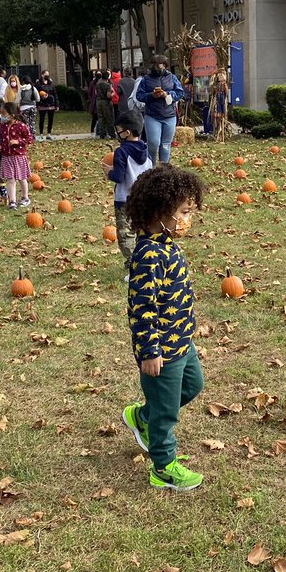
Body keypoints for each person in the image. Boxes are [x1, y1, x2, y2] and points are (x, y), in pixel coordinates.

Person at [121, 165, 206, 490]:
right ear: (160, 211)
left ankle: (143, 416)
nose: (187, 219)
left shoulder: (167, 244)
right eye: (183, 212)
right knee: (166, 413)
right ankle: (163, 466)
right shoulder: (148, 256)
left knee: (193, 387)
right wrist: (149, 352)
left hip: (181, 342)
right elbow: (142, 309)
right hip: (161, 353)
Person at [105, 111, 151, 281]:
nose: (117, 134)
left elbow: (119, 176)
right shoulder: (147, 151)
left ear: (127, 132)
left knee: (125, 234)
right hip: (142, 199)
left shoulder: (121, 152)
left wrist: (108, 173)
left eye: (119, 130)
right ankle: (144, 261)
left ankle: (135, 267)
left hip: (124, 199)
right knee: (141, 232)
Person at [134, 54, 184, 165]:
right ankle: (151, 165)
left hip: (169, 115)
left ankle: (163, 167)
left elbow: (180, 92)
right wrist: (152, 95)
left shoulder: (172, 77)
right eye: (154, 65)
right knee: (153, 142)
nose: (156, 67)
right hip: (152, 115)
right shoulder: (146, 79)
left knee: (166, 144)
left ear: (165, 66)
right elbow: (139, 95)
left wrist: (167, 94)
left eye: (159, 65)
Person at [0, 101, 33, 209]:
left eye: (4, 114)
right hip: (6, 157)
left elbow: (29, 139)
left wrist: (17, 142)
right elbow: (2, 140)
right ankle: (12, 201)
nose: (3, 117)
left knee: (22, 178)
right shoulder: (3, 126)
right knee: (10, 179)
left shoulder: (21, 126)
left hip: (19, 156)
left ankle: (25, 197)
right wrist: (0, 147)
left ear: (12, 114)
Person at [36, 72, 59, 140]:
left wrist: (57, 104)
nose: (47, 76)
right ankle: (41, 134)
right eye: (46, 75)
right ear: (42, 75)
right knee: (42, 120)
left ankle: (49, 134)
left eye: (48, 75)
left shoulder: (50, 84)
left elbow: (55, 94)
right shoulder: (38, 84)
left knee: (50, 120)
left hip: (51, 104)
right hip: (42, 105)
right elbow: (36, 94)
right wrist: (39, 101)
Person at [94, 70, 116, 139]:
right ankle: (112, 134)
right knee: (109, 118)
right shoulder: (107, 85)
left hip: (98, 101)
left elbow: (96, 93)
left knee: (101, 118)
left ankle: (102, 134)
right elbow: (108, 96)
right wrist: (113, 93)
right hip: (106, 102)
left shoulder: (98, 83)